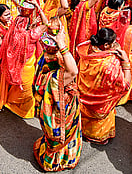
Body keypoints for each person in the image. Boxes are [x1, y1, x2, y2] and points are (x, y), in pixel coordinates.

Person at [33, 27, 81, 171]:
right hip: (62, 112)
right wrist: (63, 45)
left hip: (48, 109)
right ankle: (59, 160)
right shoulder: (55, 79)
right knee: (64, 136)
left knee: (52, 136)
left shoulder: (42, 62)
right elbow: (73, 71)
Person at [77, 28, 131, 144]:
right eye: (113, 42)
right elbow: (125, 85)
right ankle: (96, 137)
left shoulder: (87, 50)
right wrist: (126, 63)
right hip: (100, 103)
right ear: (106, 45)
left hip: (83, 96)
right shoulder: (110, 63)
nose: (115, 44)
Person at [0, 0, 48, 118]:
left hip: (17, 65)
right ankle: (20, 108)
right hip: (27, 65)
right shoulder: (31, 34)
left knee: (19, 86)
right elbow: (46, 24)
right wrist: (37, 6)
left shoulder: (15, 32)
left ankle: (12, 103)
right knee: (27, 88)